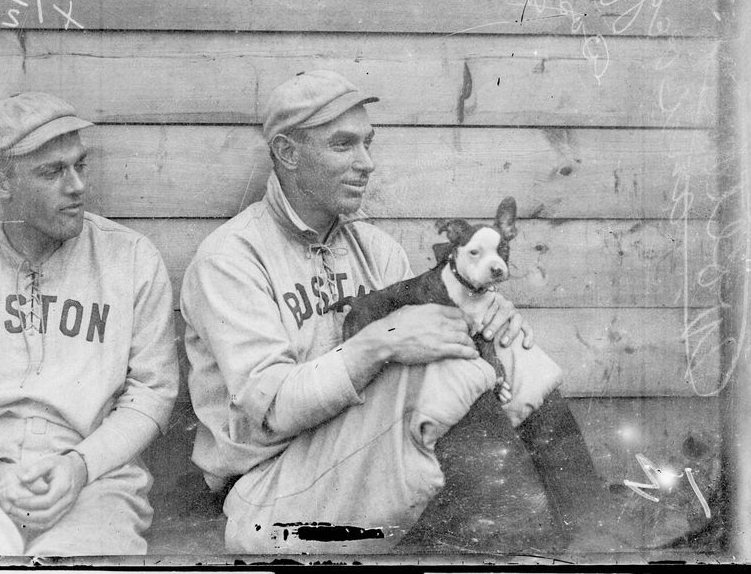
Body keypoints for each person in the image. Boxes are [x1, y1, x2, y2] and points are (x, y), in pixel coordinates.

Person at [181, 71, 685, 554]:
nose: (366, 162)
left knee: (501, 340)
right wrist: (385, 340)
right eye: (343, 144)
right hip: (272, 493)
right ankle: (533, 543)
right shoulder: (231, 260)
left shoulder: (375, 249)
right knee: (441, 356)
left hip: (368, 458)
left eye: (368, 142)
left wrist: (483, 319)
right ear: (288, 153)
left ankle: (590, 523)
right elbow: (270, 410)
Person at [0, 92, 179, 556]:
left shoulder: (130, 256)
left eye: (81, 164)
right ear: (1, 185)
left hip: (96, 478)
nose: (77, 185)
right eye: (52, 171)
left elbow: (153, 392)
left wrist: (80, 467)